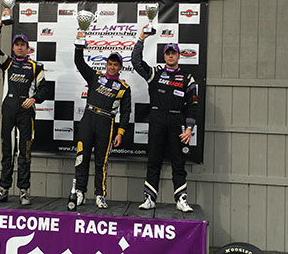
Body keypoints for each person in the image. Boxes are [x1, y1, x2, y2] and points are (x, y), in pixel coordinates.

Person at [132, 26, 199, 212]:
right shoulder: (155, 73)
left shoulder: (187, 78)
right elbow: (136, 62)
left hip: (177, 121)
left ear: (179, 56)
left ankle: (181, 199)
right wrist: (141, 40)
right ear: (164, 56)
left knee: (178, 161)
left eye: (173, 53)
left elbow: (193, 105)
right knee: (154, 159)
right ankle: (149, 198)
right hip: (157, 118)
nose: (170, 56)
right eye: (168, 53)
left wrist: (189, 129)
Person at [0, 9, 47, 206]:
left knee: (24, 153)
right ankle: (3, 190)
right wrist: (0, 23)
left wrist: (35, 99)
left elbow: (45, 90)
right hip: (8, 112)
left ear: (28, 49)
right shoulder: (7, 63)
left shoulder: (36, 67)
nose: (20, 48)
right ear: (13, 48)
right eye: (17, 45)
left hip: (26, 114)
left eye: (23, 45)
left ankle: (23, 191)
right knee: (7, 152)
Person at [72, 31, 132, 209]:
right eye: (110, 63)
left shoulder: (124, 87)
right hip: (88, 119)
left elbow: (126, 112)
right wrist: (79, 45)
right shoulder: (95, 76)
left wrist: (120, 132)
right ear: (106, 64)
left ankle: (100, 194)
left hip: (107, 123)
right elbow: (79, 63)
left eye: (116, 65)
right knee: (82, 157)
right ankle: (80, 192)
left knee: (101, 161)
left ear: (121, 67)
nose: (112, 67)